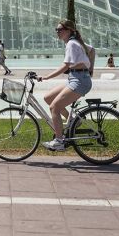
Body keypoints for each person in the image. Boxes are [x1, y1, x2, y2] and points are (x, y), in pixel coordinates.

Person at [38, 20, 94, 151]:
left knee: (54, 107)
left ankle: (59, 141)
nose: (57, 32)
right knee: (48, 98)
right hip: (75, 78)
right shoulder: (75, 42)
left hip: (79, 81)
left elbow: (65, 66)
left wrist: (46, 77)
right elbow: (92, 51)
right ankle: (74, 121)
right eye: (56, 30)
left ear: (69, 30)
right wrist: (90, 69)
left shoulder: (71, 44)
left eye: (60, 30)